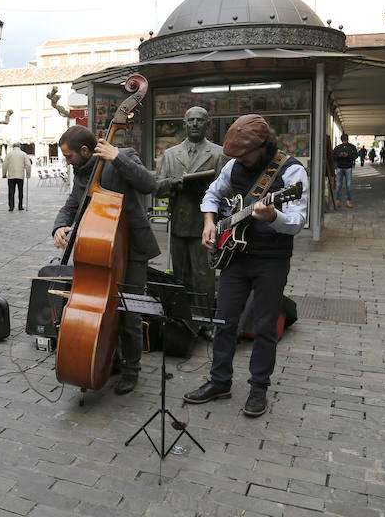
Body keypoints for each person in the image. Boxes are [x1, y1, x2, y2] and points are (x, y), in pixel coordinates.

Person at [183, 114, 308, 417]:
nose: (240, 160)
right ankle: (219, 382)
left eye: (245, 154)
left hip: (271, 259)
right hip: (234, 258)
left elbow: (297, 221)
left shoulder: (292, 172)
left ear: (263, 147)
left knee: (265, 326)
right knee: (224, 321)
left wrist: (273, 216)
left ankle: (258, 389)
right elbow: (212, 194)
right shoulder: (233, 166)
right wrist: (210, 222)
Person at [52, 125, 160, 395]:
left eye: (69, 156)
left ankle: (131, 370)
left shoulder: (123, 156)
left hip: (131, 249)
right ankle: (110, 358)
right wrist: (60, 225)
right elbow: (72, 203)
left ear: (84, 151)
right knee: (104, 309)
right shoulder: (81, 171)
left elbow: (150, 184)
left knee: (129, 312)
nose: (67, 162)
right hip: (100, 248)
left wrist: (117, 157)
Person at [154, 106, 225, 319]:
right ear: (184, 124)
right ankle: (181, 320)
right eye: (191, 120)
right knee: (180, 276)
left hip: (204, 225)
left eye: (199, 120)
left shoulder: (219, 153)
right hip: (179, 223)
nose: (195, 124)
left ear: (207, 124)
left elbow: (226, 191)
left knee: (204, 277)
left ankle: (204, 321)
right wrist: (176, 183)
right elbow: (158, 188)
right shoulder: (170, 154)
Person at [1, 142, 31, 211]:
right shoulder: (23, 154)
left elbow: (4, 165)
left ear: (13, 147)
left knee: (11, 191)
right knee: (20, 191)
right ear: (19, 146)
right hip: (20, 175)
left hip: (11, 176)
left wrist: (4, 174)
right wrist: (28, 174)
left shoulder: (9, 154)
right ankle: (20, 206)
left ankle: (11, 207)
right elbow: (28, 165)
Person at [332, 133, 357, 208]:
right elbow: (333, 156)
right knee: (339, 185)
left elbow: (355, 156)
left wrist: (348, 156)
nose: (344, 141)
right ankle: (338, 201)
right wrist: (339, 155)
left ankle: (347, 201)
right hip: (340, 167)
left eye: (345, 140)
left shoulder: (352, 147)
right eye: (343, 140)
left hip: (347, 167)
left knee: (347, 185)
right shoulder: (338, 148)